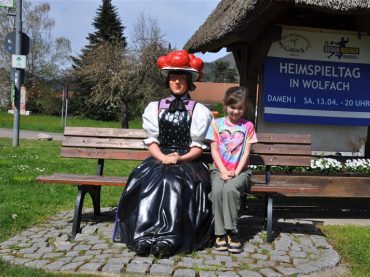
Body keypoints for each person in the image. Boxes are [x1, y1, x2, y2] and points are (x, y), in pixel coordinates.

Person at [113, 50, 214, 258]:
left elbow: (197, 147)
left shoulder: (199, 111)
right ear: (168, 80)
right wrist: (163, 158)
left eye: (182, 78)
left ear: (189, 82)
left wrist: (179, 158)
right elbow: (152, 142)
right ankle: (144, 236)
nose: (177, 82)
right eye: (174, 78)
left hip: (189, 160)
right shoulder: (155, 108)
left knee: (173, 182)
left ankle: (170, 237)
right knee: (150, 179)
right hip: (160, 157)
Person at [205, 86, 258, 254]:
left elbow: (246, 153)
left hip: (240, 171)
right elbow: (214, 150)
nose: (236, 111)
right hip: (218, 169)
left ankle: (232, 231)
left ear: (245, 107)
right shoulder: (216, 124)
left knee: (230, 189)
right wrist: (222, 171)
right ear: (225, 105)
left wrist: (236, 171)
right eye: (232, 107)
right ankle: (219, 233)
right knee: (219, 190)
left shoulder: (248, 126)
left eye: (240, 108)